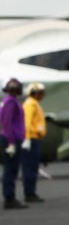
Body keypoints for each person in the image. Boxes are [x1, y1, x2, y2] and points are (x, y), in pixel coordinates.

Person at [1, 79, 26, 210]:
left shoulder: (10, 101)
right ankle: (9, 198)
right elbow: (7, 123)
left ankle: (10, 196)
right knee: (10, 169)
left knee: (12, 169)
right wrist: (11, 142)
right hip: (11, 139)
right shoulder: (10, 102)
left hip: (14, 138)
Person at [21, 81, 47, 204]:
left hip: (35, 137)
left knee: (33, 167)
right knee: (30, 167)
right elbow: (27, 122)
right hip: (31, 138)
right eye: (39, 92)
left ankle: (31, 192)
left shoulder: (35, 104)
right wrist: (26, 138)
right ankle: (29, 193)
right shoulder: (30, 104)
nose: (42, 95)